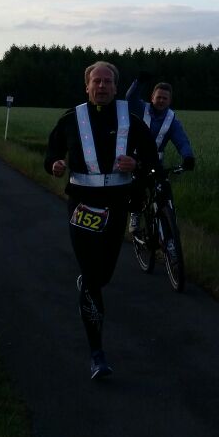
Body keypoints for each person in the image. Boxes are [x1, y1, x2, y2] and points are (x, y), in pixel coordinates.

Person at [45, 61, 160, 381]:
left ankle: (89, 283)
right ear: (87, 86)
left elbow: (151, 159)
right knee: (93, 280)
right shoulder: (70, 119)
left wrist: (136, 164)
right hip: (82, 206)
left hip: (117, 205)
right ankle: (97, 354)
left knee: (103, 273)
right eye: (96, 81)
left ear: (115, 86)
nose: (102, 86)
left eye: (107, 81)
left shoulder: (131, 120)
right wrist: (54, 165)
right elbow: (51, 152)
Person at [125, 72, 195, 232]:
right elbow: (130, 98)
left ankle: (167, 218)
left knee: (164, 189)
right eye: (159, 97)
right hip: (136, 160)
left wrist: (188, 157)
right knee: (138, 186)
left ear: (170, 100)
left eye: (165, 98)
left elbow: (182, 141)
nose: (161, 100)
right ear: (152, 98)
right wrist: (138, 82)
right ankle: (135, 214)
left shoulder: (172, 120)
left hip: (156, 163)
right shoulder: (141, 108)